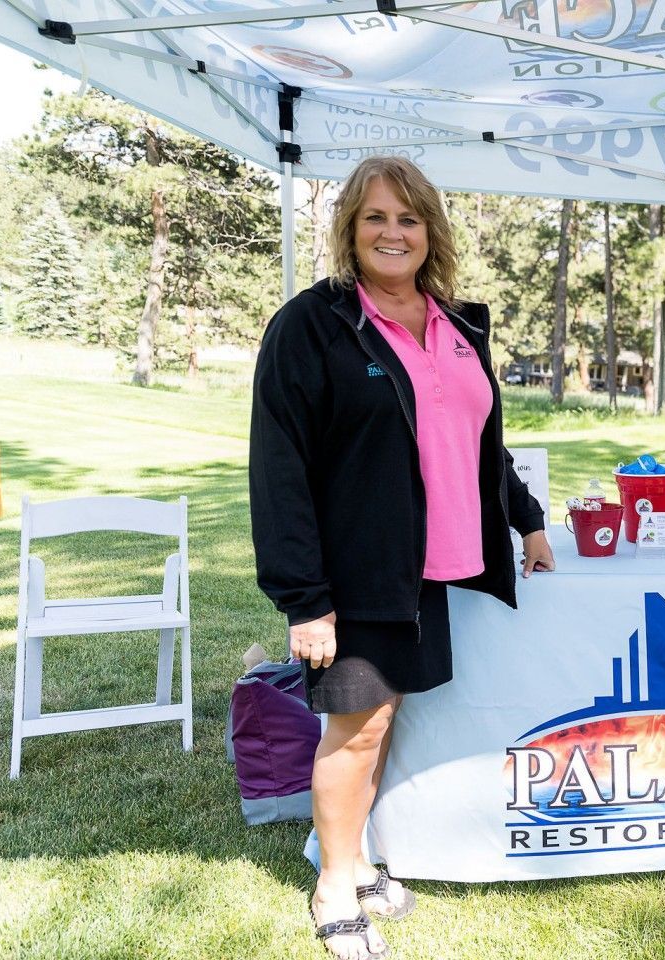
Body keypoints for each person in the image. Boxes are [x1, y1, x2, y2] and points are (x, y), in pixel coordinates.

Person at [249, 155, 554, 960]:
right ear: (350, 227)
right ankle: (333, 890)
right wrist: (304, 597)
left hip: (431, 569)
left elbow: (483, 441)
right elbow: (278, 467)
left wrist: (526, 520)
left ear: (431, 232)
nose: (393, 232)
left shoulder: (457, 325)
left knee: (384, 720)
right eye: (376, 217)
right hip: (354, 572)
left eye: (408, 218)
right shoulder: (313, 326)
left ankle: (354, 859)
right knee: (352, 730)